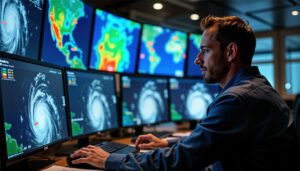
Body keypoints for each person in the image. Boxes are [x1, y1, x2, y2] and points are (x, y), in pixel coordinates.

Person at [70, 16, 297, 171]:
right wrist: (167, 144)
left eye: (205, 51)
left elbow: (181, 162)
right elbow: (211, 143)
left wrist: (110, 160)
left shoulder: (237, 99)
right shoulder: (255, 87)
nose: (198, 60)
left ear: (230, 52)